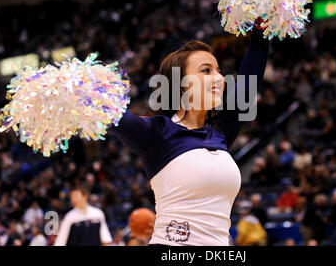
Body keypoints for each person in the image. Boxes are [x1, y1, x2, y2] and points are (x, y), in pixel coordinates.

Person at [110, 24, 270, 246]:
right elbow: (105, 112)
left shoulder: (220, 131)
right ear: (182, 85)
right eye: (206, 70)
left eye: (218, 70)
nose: (218, 78)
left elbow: (248, 82)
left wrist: (261, 31)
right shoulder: (157, 132)